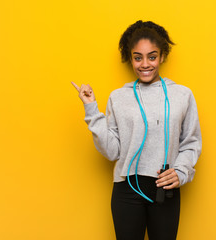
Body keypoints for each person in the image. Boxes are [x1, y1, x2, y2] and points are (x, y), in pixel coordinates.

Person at [72, 20, 202, 240]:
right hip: (127, 189)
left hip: (165, 187)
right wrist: (91, 108)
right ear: (130, 58)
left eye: (152, 56)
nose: (145, 64)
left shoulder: (182, 95)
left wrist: (181, 172)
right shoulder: (119, 97)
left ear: (162, 56)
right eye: (137, 57)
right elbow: (113, 151)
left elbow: (190, 142)